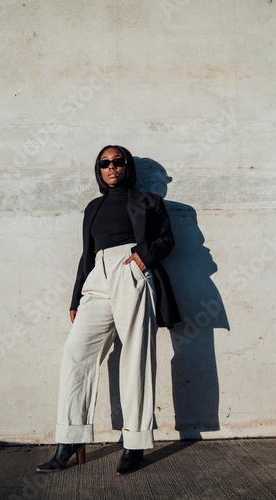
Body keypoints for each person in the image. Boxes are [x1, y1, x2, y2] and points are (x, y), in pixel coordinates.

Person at [37, 145, 181, 475]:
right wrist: (77, 299)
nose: (112, 167)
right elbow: (86, 255)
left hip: (131, 269)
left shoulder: (149, 200)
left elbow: (167, 239)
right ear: (99, 170)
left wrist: (144, 255)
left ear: (127, 167)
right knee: (76, 354)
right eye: (105, 163)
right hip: (96, 278)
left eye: (118, 162)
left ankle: (135, 442)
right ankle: (70, 440)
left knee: (135, 357)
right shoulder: (93, 207)